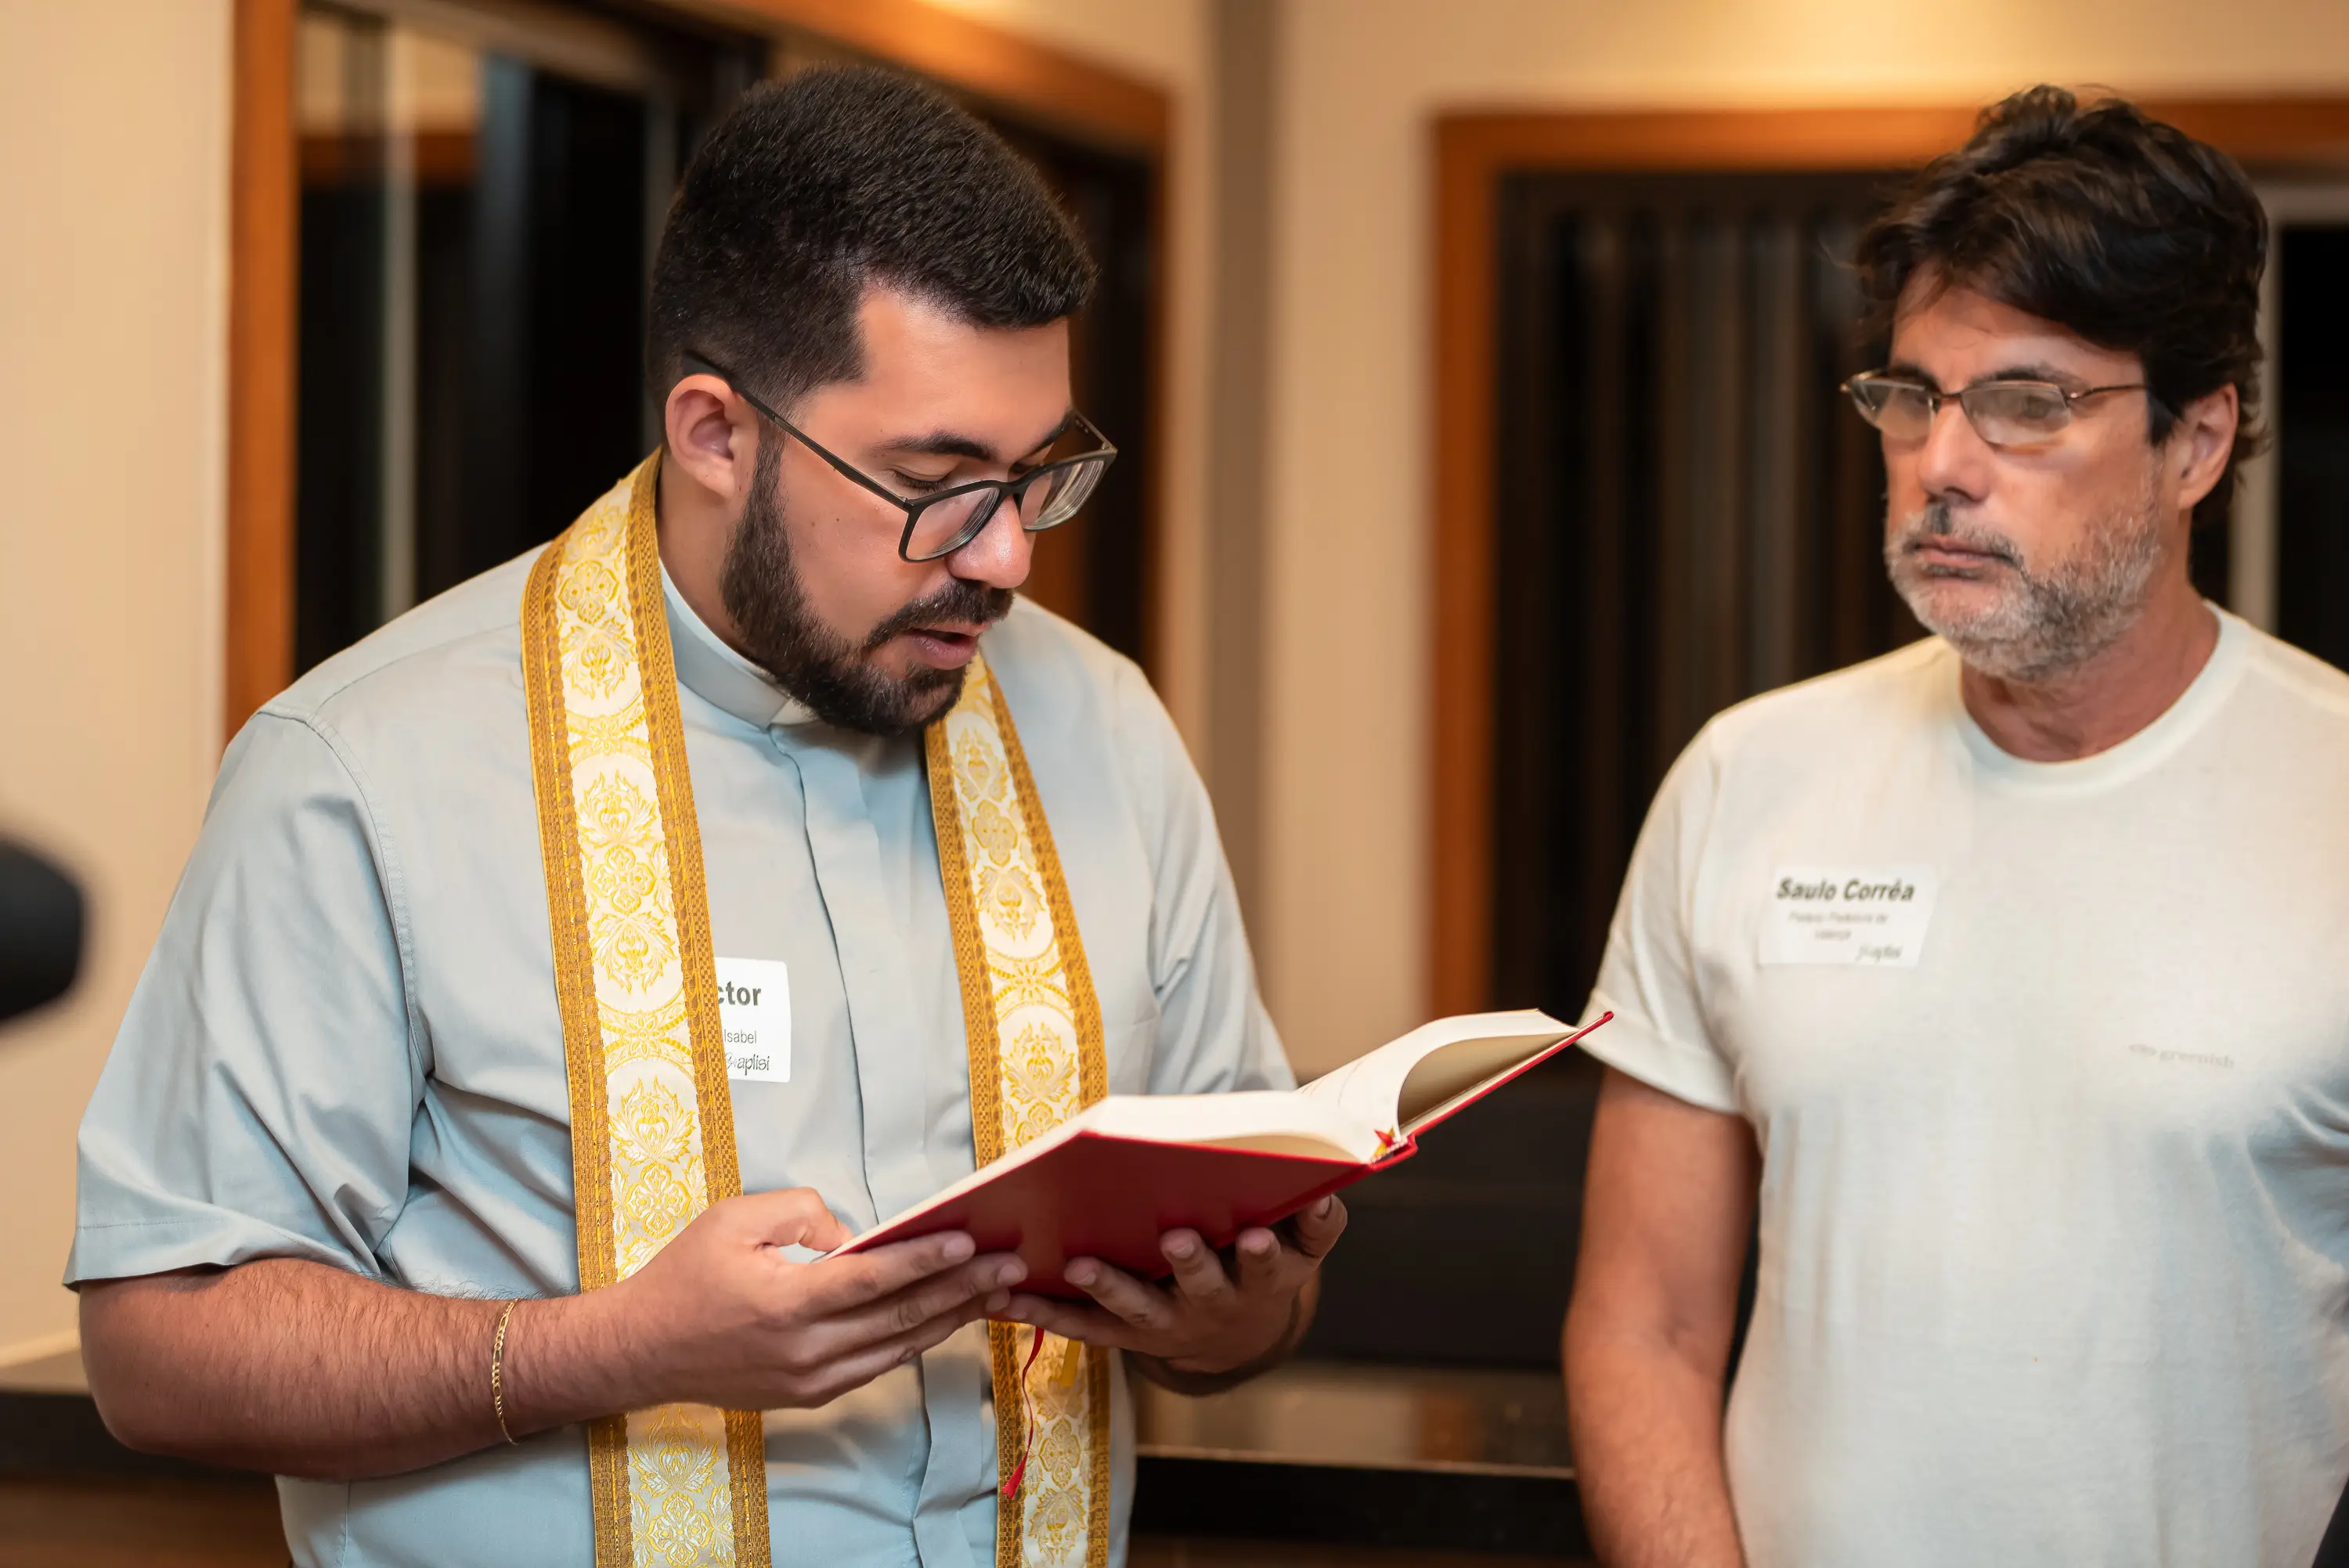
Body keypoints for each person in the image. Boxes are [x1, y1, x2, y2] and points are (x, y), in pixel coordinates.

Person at [70, 66, 1342, 1568]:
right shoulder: (361, 768)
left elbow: (1251, 1302)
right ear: (717, 434)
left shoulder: (1105, 729)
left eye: (1036, 475)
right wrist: (617, 1347)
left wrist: (1234, 1314)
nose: (1006, 556)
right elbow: (159, 1344)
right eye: (938, 483)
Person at [1564, 86, 2349, 1566]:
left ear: (2196, 441)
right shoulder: (1747, 779)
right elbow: (1644, 1322)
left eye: (2029, 404)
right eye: (1914, 396)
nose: (1942, 462)